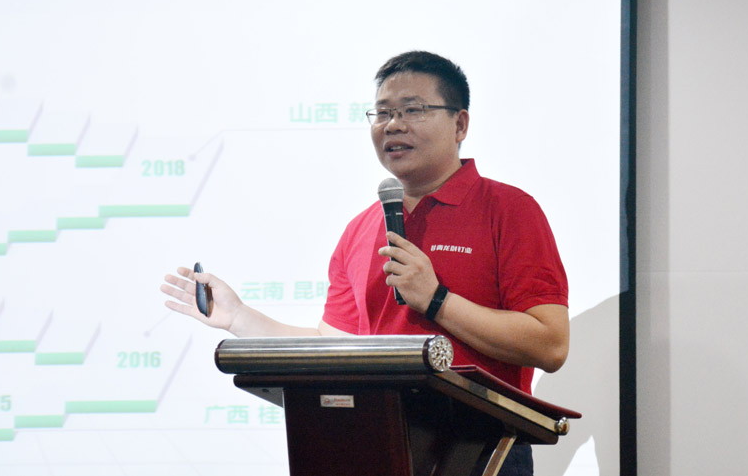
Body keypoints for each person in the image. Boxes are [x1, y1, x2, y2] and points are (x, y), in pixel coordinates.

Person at [161, 51, 569, 476]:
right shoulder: (360, 230)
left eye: (413, 109)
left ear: (460, 124)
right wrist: (239, 318)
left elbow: (551, 344)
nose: (393, 125)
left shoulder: (508, 210)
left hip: (483, 448)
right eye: (383, 113)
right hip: (377, 442)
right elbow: (334, 346)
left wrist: (436, 300)